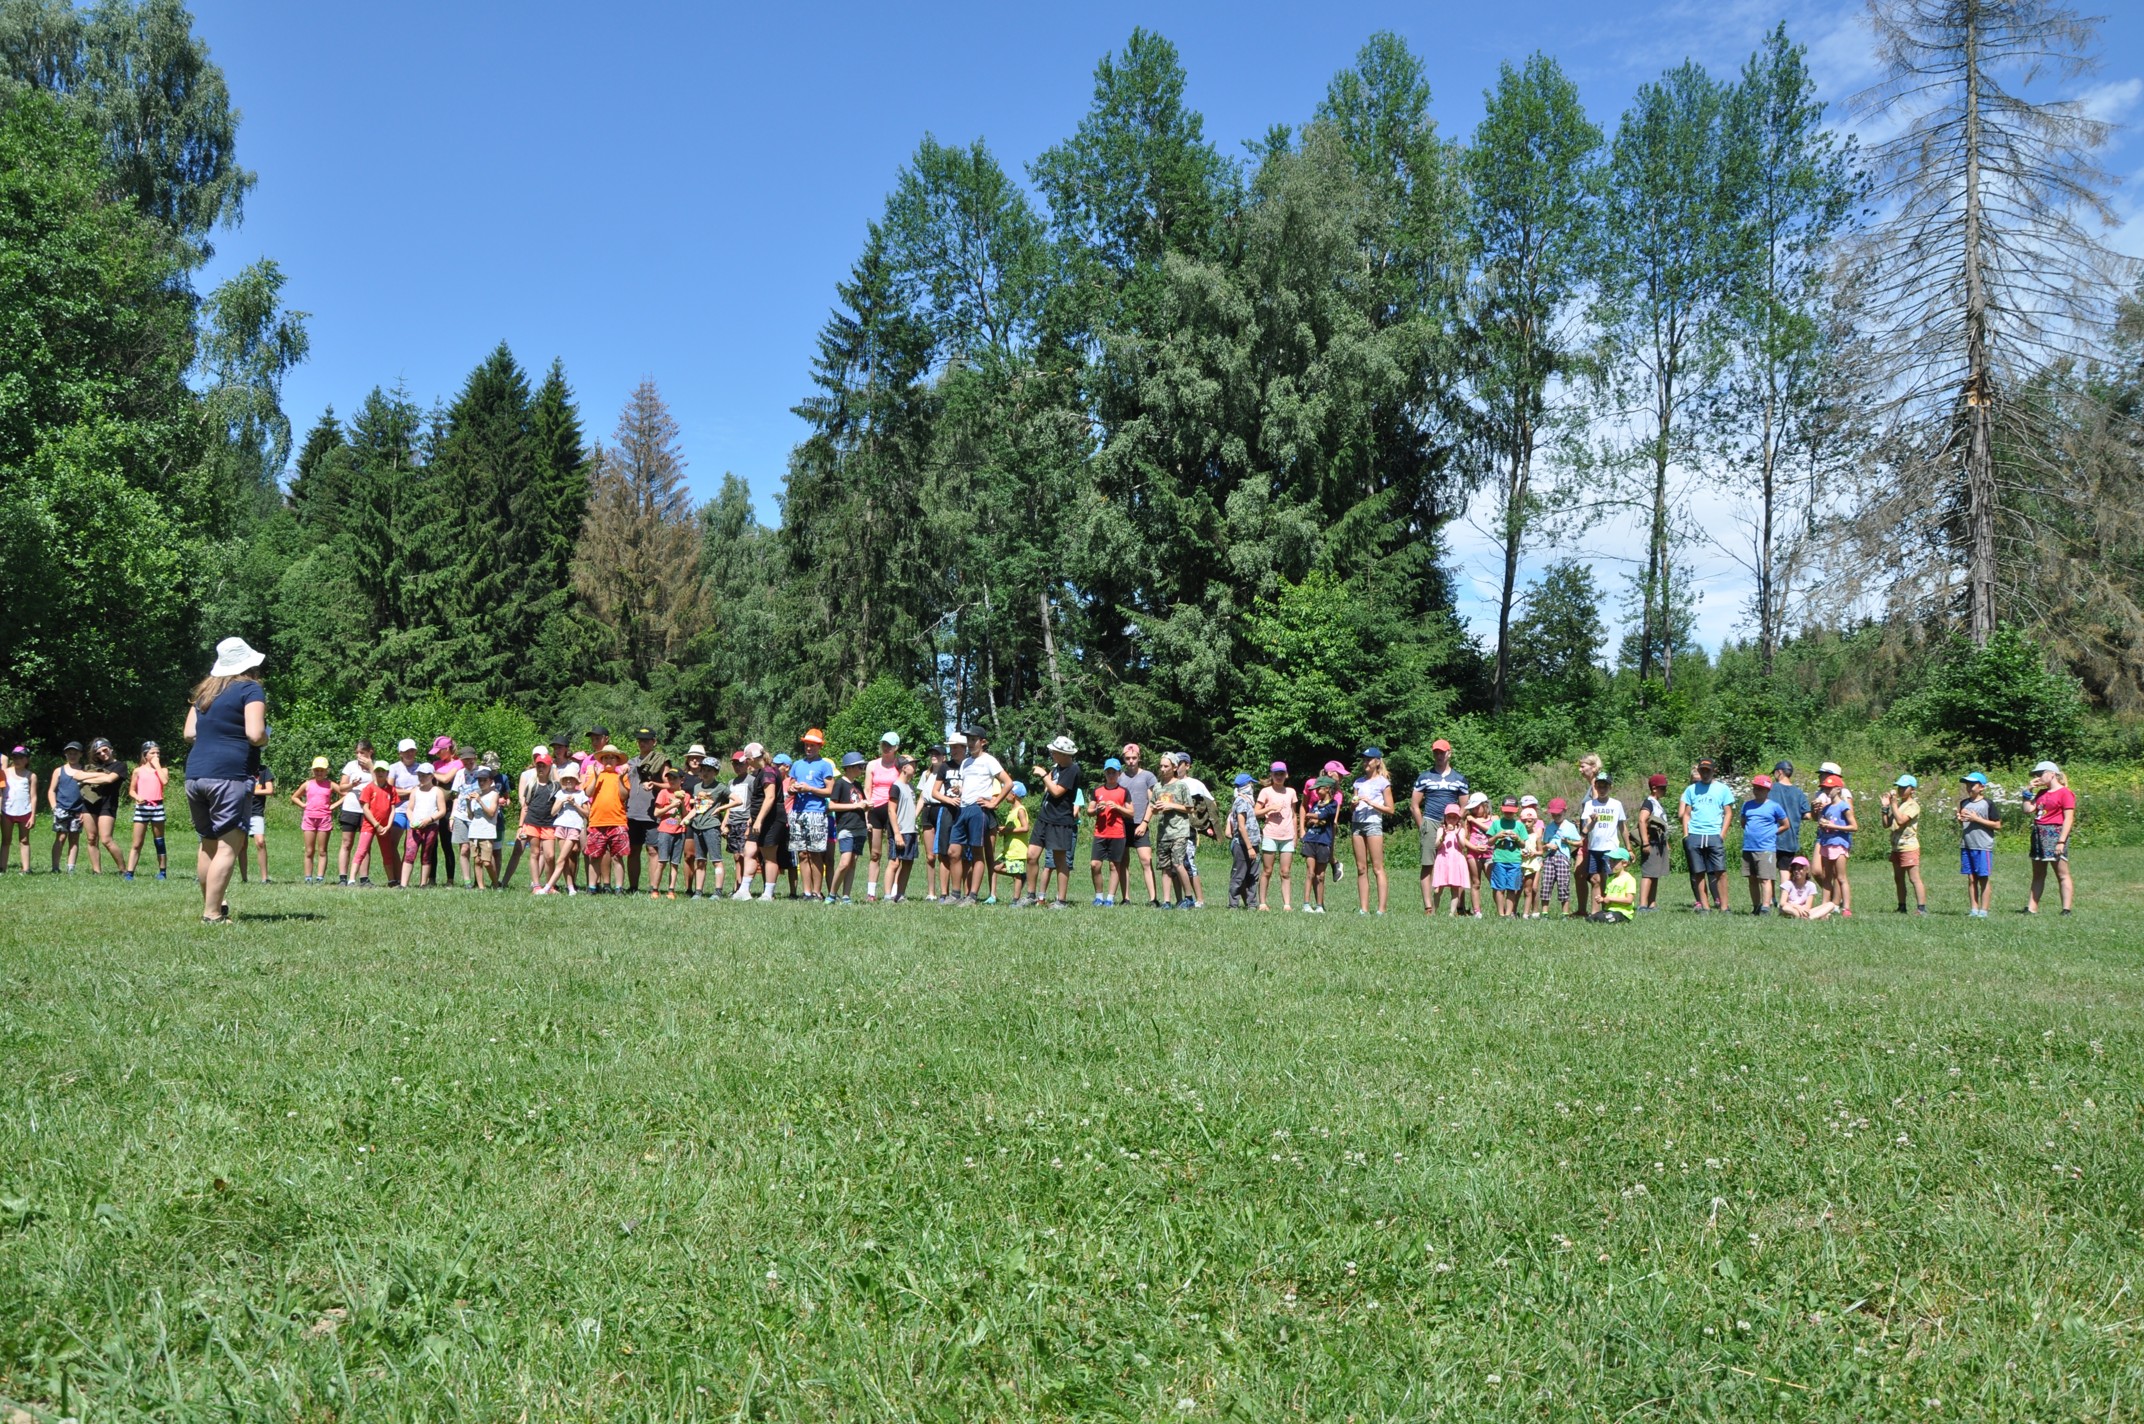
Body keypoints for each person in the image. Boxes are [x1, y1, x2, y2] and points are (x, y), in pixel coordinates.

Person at [181, 637, 268, 923]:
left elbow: (189, 734)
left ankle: (213, 905)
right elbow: (255, 734)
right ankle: (213, 914)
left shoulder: (205, 691)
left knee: (208, 843)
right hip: (229, 774)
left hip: (196, 773)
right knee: (229, 845)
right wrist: (265, 737)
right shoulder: (250, 689)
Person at [950, 728, 1010, 904]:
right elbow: (969, 784)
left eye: (974, 739)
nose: (970, 743)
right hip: (962, 809)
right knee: (953, 851)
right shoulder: (965, 762)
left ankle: (972, 896)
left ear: (983, 742)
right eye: (968, 740)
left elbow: (1008, 783)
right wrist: (959, 790)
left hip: (978, 810)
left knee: (977, 852)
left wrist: (994, 802)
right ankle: (955, 895)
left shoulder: (989, 760)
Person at [1410, 738, 1467, 910]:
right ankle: (1429, 907)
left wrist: (1455, 825)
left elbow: (1464, 806)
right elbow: (1414, 805)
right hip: (1431, 821)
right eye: (1436, 752)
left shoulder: (1459, 779)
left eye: (1442, 752)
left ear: (1449, 753)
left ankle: (1458, 907)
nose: (1439, 755)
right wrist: (1423, 826)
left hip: (1452, 826)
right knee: (1427, 864)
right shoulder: (1424, 777)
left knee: (1455, 863)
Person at [1028, 735, 1082, 909]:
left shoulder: (1073, 770)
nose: (1052, 754)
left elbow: (1057, 792)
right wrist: (1048, 776)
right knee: (1031, 855)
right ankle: (1030, 896)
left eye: (1055, 752)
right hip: (1044, 818)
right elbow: (1048, 788)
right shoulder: (1057, 767)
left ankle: (1061, 901)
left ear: (1065, 754)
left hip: (1060, 820)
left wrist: (1044, 775)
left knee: (1060, 861)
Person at [1678, 759, 1737, 913]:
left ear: (1713, 771)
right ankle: (1705, 906)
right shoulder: (1691, 789)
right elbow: (1686, 813)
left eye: (1708, 770)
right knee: (1698, 872)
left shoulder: (1722, 789)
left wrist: (1722, 834)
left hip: (1714, 834)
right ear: (1699, 771)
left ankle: (1724, 906)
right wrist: (1686, 835)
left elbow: (1728, 812)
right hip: (1695, 834)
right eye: (1702, 770)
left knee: (1720, 871)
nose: (1705, 773)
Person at [2022, 760, 2075, 914]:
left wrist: (2061, 841)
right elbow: (2027, 809)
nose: (2037, 777)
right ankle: (2031, 908)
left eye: (2040, 773)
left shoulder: (2065, 793)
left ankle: (2066, 909)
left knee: (2062, 874)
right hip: (2039, 834)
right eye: (2036, 774)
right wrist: (2027, 791)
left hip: (2055, 834)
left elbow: (2069, 819)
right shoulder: (2041, 793)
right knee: (2038, 874)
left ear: (2052, 774)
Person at [788, 728, 835, 900]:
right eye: (807, 745)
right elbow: (790, 786)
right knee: (802, 853)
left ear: (820, 746)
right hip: (798, 812)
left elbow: (829, 791)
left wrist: (809, 789)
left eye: (813, 745)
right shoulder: (797, 764)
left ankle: (816, 891)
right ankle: (806, 892)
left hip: (816, 812)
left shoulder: (825, 765)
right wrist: (793, 789)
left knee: (815, 853)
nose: (809, 748)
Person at [625, 727, 669, 894]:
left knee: (652, 850)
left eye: (646, 740)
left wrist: (654, 784)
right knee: (633, 850)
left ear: (654, 742)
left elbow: (669, 785)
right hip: (632, 812)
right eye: (640, 740)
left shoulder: (661, 761)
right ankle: (633, 887)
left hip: (651, 813)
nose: (642, 743)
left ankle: (653, 888)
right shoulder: (631, 762)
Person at [1151, 753, 1198, 908]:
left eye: (1166, 766)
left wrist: (1171, 805)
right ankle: (1166, 901)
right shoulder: (1157, 787)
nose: (1162, 769)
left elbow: (1190, 808)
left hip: (1179, 831)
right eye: (1161, 766)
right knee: (1165, 867)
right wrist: (1156, 809)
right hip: (1163, 832)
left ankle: (1189, 898)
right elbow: (1153, 808)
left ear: (1175, 767)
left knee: (1178, 864)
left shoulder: (1181, 786)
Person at [1350, 747, 1394, 914]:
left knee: (1377, 867)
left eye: (1369, 759)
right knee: (1361, 868)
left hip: (1373, 824)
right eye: (1364, 759)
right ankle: (1363, 909)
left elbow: (1390, 809)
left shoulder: (1383, 783)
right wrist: (1353, 805)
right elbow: (1352, 809)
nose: (1366, 762)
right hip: (1357, 824)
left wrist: (1371, 803)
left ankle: (1381, 909)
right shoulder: (1358, 782)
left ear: (1377, 762)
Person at [1118, 744, 1162, 906]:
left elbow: (1153, 801)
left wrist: (1144, 823)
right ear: (1124, 759)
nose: (1131, 761)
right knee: (1123, 862)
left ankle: (1153, 899)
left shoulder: (1148, 776)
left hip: (1140, 824)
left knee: (1146, 860)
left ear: (1139, 758)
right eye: (1128, 758)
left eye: (1134, 758)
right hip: (1123, 824)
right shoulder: (1119, 777)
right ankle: (1126, 898)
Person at [584, 743, 631, 892]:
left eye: (612, 757)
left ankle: (619, 887)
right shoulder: (595, 775)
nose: (609, 760)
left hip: (617, 821)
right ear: (602, 760)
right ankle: (592, 887)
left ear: (617, 761)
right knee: (594, 856)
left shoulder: (621, 776)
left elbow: (624, 796)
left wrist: (621, 779)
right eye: (606, 758)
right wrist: (596, 777)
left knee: (618, 856)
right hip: (597, 822)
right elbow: (588, 793)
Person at [1579, 772, 1630, 913]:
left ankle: (1610, 908)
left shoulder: (1616, 804)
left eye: (1605, 786)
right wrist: (1593, 822)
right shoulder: (1589, 805)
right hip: (1594, 848)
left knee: (1611, 879)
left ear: (1610, 787)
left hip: (1611, 848)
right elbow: (1586, 829)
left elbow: (1623, 827)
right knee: (1595, 879)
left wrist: (1629, 848)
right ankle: (1595, 912)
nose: (1602, 789)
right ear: (1595, 787)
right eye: (1599, 786)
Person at [1739, 774, 1790, 914]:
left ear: (1767, 790)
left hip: (1765, 848)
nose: (1757, 791)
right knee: (1752, 878)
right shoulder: (1747, 805)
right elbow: (1743, 823)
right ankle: (1756, 906)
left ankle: (1765, 907)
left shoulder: (1774, 806)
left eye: (1760, 788)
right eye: (1755, 788)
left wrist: (1773, 832)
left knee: (1765, 878)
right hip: (1749, 847)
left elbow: (1786, 824)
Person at [75, 739, 126, 872]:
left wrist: (87, 778)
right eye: (98, 753)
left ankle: (124, 871)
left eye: (105, 750)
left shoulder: (120, 766)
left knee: (106, 839)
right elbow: (77, 775)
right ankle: (96, 871)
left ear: (111, 749)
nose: (103, 754)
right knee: (91, 838)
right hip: (89, 804)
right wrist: (99, 774)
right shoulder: (92, 766)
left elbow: (108, 779)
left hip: (107, 804)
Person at [1254, 761, 1298, 911]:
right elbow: (1255, 812)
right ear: (1271, 775)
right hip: (1270, 834)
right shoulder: (1266, 792)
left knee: (1285, 872)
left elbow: (1294, 815)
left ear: (1286, 775)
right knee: (1267, 870)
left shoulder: (1291, 792)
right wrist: (1270, 808)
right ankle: (1262, 903)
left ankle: (1287, 904)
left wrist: (1295, 835)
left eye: (1281, 774)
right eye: (1276, 774)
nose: (1279, 777)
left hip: (1287, 836)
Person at [863, 733, 903, 900]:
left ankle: (894, 891)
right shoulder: (872, 765)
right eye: (884, 744)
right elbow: (867, 790)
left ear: (896, 747)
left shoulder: (900, 764)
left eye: (890, 745)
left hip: (893, 810)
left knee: (894, 853)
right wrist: (866, 814)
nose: (886, 748)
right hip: (875, 809)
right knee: (875, 853)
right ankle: (871, 892)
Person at [1880, 774, 1927, 915]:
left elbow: (1901, 821)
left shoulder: (1913, 806)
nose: (1900, 790)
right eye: (1899, 787)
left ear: (1912, 790)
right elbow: (1886, 824)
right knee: (1898, 878)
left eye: (1904, 787)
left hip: (1909, 847)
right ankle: (1902, 906)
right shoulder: (1899, 805)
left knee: (1914, 878)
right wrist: (1885, 808)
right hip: (1897, 847)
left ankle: (1921, 908)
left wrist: (1894, 804)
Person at [1089, 758, 1132, 906]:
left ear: (1119, 774)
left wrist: (1118, 807)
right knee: (1095, 864)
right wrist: (1096, 810)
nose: (1111, 775)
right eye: (1108, 772)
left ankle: (1110, 898)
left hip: (1117, 833)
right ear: (1105, 773)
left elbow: (1131, 812)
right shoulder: (1097, 791)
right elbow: (1089, 811)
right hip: (1100, 833)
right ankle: (1098, 896)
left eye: (1114, 772)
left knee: (1114, 865)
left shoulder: (1124, 792)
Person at [1812, 772, 1856, 916]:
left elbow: (1854, 826)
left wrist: (1833, 826)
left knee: (1841, 877)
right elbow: (1820, 822)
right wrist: (1823, 824)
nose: (1826, 790)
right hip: (1826, 843)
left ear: (1838, 789)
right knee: (1827, 877)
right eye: (1825, 788)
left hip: (1839, 844)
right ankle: (1825, 907)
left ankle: (1846, 908)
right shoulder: (1826, 808)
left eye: (1829, 788)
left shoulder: (1844, 806)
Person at [334, 740, 377, 885]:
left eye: (362, 752)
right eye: (357, 753)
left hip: (368, 810)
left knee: (365, 845)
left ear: (370, 752)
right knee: (346, 843)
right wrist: (352, 785)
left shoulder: (376, 766)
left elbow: (380, 785)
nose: (359, 756)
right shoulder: (351, 766)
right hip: (350, 808)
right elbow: (341, 788)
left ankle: (364, 878)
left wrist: (371, 767)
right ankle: (343, 878)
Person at [125, 741, 169, 880]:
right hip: (142, 808)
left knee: (159, 840)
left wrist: (157, 765)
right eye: (152, 753)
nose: (156, 755)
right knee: (137, 843)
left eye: (158, 753)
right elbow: (131, 790)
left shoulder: (163, 770)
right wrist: (137, 797)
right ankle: (130, 873)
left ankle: (162, 872)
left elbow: (164, 781)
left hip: (157, 807)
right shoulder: (138, 771)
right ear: (145, 755)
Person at [1956, 772, 1998, 918]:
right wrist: (1960, 820)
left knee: (1983, 878)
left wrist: (1976, 819)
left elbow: (1997, 825)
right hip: (1967, 845)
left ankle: (1984, 910)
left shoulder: (1988, 803)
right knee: (1971, 878)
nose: (1969, 787)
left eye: (1972, 784)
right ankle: (1974, 909)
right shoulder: (1963, 803)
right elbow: (1964, 823)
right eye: (1967, 784)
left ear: (1982, 787)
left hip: (1983, 846)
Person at [830, 752, 870, 902]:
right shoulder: (840, 783)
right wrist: (856, 806)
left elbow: (861, 805)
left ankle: (846, 896)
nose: (862, 769)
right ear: (850, 768)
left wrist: (867, 807)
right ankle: (832, 894)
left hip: (860, 827)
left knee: (853, 862)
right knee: (844, 862)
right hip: (846, 827)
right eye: (860, 766)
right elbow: (831, 805)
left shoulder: (858, 785)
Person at [685, 755, 727, 899]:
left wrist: (720, 809)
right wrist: (686, 818)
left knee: (716, 860)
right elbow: (698, 808)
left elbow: (737, 801)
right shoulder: (697, 787)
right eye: (703, 770)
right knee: (700, 860)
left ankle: (718, 891)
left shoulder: (720, 787)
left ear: (716, 772)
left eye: (709, 770)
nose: (705, 773)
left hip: (712, 827)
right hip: (698, 826)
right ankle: (698, 892)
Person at [353, 760, 400, 886]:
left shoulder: (391, 789)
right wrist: (376, 824)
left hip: (384, 827)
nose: (380, 773)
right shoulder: (369, 788)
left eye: (383, 771)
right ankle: (351, 879)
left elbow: (393, 809)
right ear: (374, 772)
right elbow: (365, 808)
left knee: (387, 853)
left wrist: (388, 826)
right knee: (362, 850)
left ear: (387, 773)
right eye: (378, 770)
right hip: (369, 824)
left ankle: (391, 880)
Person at [540, 764, 585, 895]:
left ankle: (547, 887)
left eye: (571, 778)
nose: (569, 781)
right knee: (563, 860)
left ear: (576, 781)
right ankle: (571, 888)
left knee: (560, 859)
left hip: (574, 828)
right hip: (560, 826)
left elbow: (587, 814)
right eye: (566, 779)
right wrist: (562, 801)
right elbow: (553, 812)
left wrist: (574, 804)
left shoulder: (581, 794)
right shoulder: (560, 793)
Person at [46, 741, 90, 872]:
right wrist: (54, 807)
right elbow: (51, 791)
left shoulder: (85, 771)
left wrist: (84, 811)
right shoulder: (59, 771)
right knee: (61, 837)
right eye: (70, 753)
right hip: (61, 809)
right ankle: (55, 867)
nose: (72, 756)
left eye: (75, 753)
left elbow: (89, 793)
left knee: (74, 839)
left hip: (78, 811)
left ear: (80, 754)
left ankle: (71, 868)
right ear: (65, 754)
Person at [1299, 776, 1341, 913]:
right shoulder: (1316, 804)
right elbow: (1309, 820)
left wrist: (1312, 817)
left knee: (1320, 875)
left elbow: (1323, 815)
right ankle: (1306, 904)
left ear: (1327, 788)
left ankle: (1319, 906)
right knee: (1310, 872)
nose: (1316, 792)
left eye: (1318, 789)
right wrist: (1311, 819)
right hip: (1311, 839)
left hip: (1324, 841)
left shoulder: (1333, 804)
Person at [293, 756, 337, 882]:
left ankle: (320, 877)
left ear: (326, 771)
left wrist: (333, 806)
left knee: (322, 850)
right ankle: (308, 877)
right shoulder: (308, 784)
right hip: (309, 819)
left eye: (322, 770)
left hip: (324, 819)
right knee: (309, 850)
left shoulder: (330, 784)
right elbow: (295, 797)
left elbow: (344, 794)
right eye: (317, 770)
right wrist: (303, 805)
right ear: (313, 771)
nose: (319, 773)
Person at [647, 767, 687, 899]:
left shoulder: (686, 796)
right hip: (665, 831)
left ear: (682, 780)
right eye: (669, 778)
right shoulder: (664, 793)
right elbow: (656, 813)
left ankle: (671, 890)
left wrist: (681, 803)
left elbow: (685, 815)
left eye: (674, 778)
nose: (671, 780)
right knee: (662, 861)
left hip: (680, 831)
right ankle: (655, 889)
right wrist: (671, 806)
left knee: (674, 863)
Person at [886, 754, 920, 902]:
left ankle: (900, 894)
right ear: (904, 768)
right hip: (899, 831)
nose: (915, 766)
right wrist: (897, 833)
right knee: (894, 862)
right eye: (912, 764)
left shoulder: (910, 786)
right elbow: (891, 810)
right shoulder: (896, 786)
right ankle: (887, 895)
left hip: (910, 830)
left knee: (908, 862)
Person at [1486, 796, 1527, 917]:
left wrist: (1517, 838)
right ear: (1501, 809)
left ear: (1516, 810)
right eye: (1506, 811)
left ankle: (1509, 913)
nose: (1509, 814)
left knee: (1512, 888)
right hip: (1499, 860)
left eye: (1511, 812)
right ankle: (1501, 913)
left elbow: (1523, 844)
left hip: (1515, 861)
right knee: (1499, 888)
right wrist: (1497, 836)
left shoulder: (1519, 825)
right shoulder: (1496, 823)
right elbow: (1489, 842)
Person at [1635, 774, 1671, 910]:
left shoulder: (1657, 803)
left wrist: (1666, 842)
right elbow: (1642, 820)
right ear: (1654, 788)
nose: (1665, 790)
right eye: (1662, 788)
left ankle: (1652, 903)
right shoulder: (1648, 802)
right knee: (1648, 873)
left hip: (1659, 842)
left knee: (1655, 874)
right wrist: (1645, 842)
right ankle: (1643, 904)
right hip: (1651, 842)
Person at [463, 765, 502, 888]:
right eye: (479, 780)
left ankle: (495, 883)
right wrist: (468, 803)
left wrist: (479, 801)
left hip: (487, 832)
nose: (481, 783)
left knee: (487, 862)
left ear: (491, 781)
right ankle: (481, 887)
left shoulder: (494, 795)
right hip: (474, 831)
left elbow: (491, 813)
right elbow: (471, 816)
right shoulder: (476, 794)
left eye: (484, 780)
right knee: (477, 860)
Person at [1427, 804, 1469, 916]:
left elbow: (1462, 846)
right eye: (1449, 817)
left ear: (1458, 818)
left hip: (1456, 861)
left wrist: (1457, 835)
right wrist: (1443, 836)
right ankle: (1434, 911)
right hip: (1443, 861)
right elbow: (1437, 845)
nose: (1451, 819)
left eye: (1454, 817)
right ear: (1445, 818)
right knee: (1438, 889)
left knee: (1455, 888)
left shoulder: (1461, 830)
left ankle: (1451, 913)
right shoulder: (1441, 829)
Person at [1224, 771, 1258, 909]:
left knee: (1252, 876)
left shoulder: (1248, 801)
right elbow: (1241, 827)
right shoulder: (1241, 801)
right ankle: (1233, 905)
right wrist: (1249, 848)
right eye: (1251, 783)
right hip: (1243, 845)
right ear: (1246, 785)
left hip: (1253, 843)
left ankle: (1252, 904)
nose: (1253, 786)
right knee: (1238, 875)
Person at [993, 781, 1031, 904]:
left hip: (1017, 849)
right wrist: (1004, 831)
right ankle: (1022, 875)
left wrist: (1008, 830)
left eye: (1007, 793)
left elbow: (1025, 828)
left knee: (1016, 875)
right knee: (995, 867)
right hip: (1008, 849)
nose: (1004, 795)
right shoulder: (1012, 810)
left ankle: (1016, 900)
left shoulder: (1020, 810)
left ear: (1013, 795)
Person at [1770, 760, 1810, 861]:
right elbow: (1807, 815)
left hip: (1771, 837)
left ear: (1779, 772)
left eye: (1774, 773)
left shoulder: (1770, 789)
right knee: (1785, 868)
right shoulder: (1799, 793)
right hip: (1790, 840)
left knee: (1767, 869)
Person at [3, 746, 34, 873]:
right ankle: (2, 868)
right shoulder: (4, 773)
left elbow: (34, 797)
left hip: (25, 811)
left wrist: (33, 815)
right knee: (6, 840)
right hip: (7, 811)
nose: (17, 760)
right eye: (15, 757)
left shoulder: (31, 776)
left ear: (27, 759)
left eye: (21, 758)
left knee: (24, 840)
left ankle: (26, 869)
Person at [245, 760, 276, 884]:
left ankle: (264, 878)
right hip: (241, 810)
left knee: (260, 842)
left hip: (256, 811)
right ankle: (244, 878)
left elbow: (269, 790)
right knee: (241, 845)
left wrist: (250, 791)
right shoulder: (241, 768)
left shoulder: (264, 770)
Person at [1778, 855, 1835, 919]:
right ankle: (1815, 916)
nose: (1796, 871)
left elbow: (1808, 906)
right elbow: (1782, 903)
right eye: (1794, 869)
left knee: (1831, 904)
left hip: (1805, 910)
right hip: (1791, 908)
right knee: (1786, 908)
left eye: (1800, 868)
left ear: (1807, 870)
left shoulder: (1811, 886)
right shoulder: (1788, 884)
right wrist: (1798, 907)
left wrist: (1803, 910)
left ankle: (1810, 918)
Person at [1517, 795, 1545, 917]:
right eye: (1526, 806)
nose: (1529, 808)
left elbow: (1538, 840)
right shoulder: (1519, 823)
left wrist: (1534, 853)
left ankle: (1535, 911)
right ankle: (1514, 910)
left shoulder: (1538, 822)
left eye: (1532, 806)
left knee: (1533, 887)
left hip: (1534, 860)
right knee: (1519, 887)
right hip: (1521, 859)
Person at [1592, 847, 1637, 923]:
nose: (1610, 864)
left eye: (1614, 861)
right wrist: (1602, 899)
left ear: (1624, 863)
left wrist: (1610, 899)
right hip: (1609, 911)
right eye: (1610, 861)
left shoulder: (1629, 879)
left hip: (1622, 913)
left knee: (1600, 918)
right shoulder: (1610, 879)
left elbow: (1629, 900)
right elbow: (1608, 899)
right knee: (1592, 918)